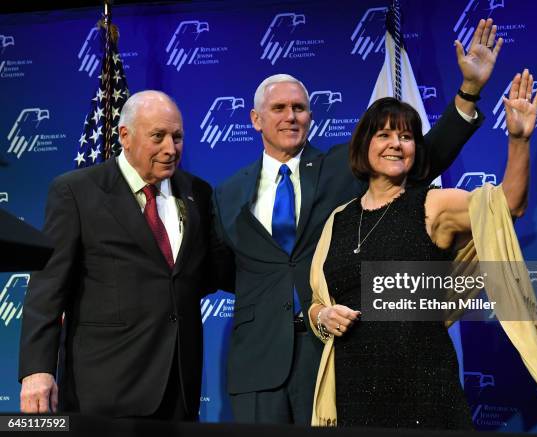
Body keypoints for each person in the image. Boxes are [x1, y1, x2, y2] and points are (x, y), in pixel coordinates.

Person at [213, 19, 503, 425]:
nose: (291, 117)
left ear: (311, 116)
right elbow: (222, 269)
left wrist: (468, 92)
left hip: (335, 349)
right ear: (256, 119)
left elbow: (424, 158)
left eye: (299, 108)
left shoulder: (341, 168)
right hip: (257, 360)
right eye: (278, 108)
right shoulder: (227, 191)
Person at [307, 71, 537, 428]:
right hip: (353, 391)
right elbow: (317, 303)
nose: (396, 143)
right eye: (384, 134)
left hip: (425, 391)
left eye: (406, 136)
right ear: (363, 145)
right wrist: (322, 318)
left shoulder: (434, 205)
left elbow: (508, 207)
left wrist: (518, 139)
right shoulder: (339, 220)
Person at [19, 90, 223, 420]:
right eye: (158, 136)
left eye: (177, 136)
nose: (170, 149)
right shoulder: (76, 191)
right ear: (124, 136)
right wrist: (36, 370)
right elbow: (48, 286)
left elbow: (207, 274)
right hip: (105, 387)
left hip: (179, 388)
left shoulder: (197, 192)